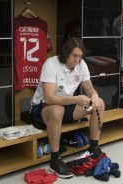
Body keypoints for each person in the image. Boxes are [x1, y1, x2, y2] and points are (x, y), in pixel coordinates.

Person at [30, 37, 105, 178]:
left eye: (80, 56)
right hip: (42, 108)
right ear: (66, 54)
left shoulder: (81, 64)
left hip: (66, 105)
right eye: (74, 56)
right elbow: (49, 98)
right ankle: (55, 159)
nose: (77, 60)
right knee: (57, 109)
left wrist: (94, 95)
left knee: (99, 104)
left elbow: (89, 87)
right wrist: (75, 99)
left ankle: (94, 148)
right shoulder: (51, 64)